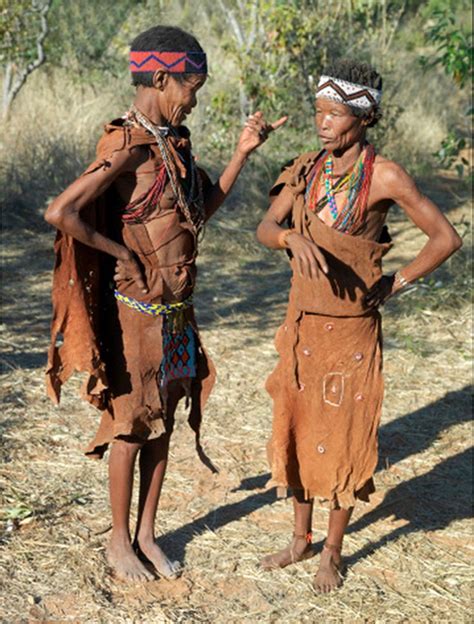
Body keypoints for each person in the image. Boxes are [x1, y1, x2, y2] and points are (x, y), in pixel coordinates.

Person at [44, 25, 286, 583]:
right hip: (137, 315)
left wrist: (243, 155)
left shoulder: (172, 144)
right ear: (160, 77)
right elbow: (62, 212)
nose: (194, 99)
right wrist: (119, 257)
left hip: (177, 313)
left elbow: (199, 213)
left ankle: (148, 533)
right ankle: (117, 541)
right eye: (192, 87)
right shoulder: (127, 146)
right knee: (131, 427)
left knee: (166, 419)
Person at [256, 59, 462, 593]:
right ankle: (299, 539)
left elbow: (445, 237)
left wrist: (398, 281)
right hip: (302, 323)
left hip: (351, 329)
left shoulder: (385, 175)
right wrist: (290, 239)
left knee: (345, 438)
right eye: (318, 112)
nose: (323, 123)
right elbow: (266, 226)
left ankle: (331, 550)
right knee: (299, 428)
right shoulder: (307, 169)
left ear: (363, 117)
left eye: (334, 114)